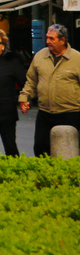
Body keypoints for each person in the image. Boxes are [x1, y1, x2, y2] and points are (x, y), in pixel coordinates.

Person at [19, 23, 80, 157]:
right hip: (45, 113)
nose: (47, 41)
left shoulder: (77, 58)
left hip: (71, 113)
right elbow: (31, 81)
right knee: (41, 149)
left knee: (69, 151)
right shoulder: (40, 56)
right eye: (47, 38)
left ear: (62, 40)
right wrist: (24, 98)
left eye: (52, 38)